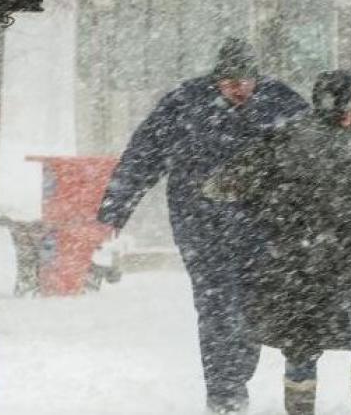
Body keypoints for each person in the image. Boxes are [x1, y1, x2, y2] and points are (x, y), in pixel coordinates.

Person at [96, 37, 308, 414]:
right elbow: (145, 153)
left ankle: (235, 375)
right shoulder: (185, 103)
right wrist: (117, 206)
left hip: (262, 227)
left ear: (257, 79)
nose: (239, 91)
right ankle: (225, 392)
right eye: (230, 84)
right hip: (201, 226)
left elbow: (315, 153)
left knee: (251, 306)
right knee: (217, 305)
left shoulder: (281, 102)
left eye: (246, 83)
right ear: (216, 80)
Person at [207, 70, 351, 415]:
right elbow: (235, 178)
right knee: (304, 339)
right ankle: (302, 407)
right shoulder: (297, 136)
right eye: (347, 104)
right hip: (306, 256)